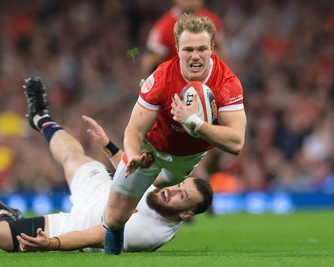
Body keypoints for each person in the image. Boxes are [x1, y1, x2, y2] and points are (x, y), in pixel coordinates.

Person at [0, 76, 214, 253]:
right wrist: (109, 145)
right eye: (179, 186)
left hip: (78, 226)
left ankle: (5, 214)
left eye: (181, 196)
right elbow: (133, 173)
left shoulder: (149, 233)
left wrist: (52, 243)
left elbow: (96, 235)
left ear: (186, 213)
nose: (172, 189)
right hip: (102, 191)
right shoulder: (164, 194)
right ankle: (41, 118)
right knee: (72, 156)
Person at [103, 14, 247, 255]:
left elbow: (236, 142)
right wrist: (131, 154)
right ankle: (112, 252)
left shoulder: (227, 83)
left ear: (212, 48)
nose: (195, 56)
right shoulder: (161, 78)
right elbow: (135, 129)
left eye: (202, 49)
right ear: (177, 49)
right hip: (150, 150)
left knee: (163, 188)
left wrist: (193, 122)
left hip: (187, 160)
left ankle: (150, 201)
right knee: (115, 218)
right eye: (188, 49)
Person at [141, 0, 228, 77]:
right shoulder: (163, 27)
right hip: (177, 86)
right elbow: (150, 63)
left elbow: (222, 53)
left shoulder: (212, 20)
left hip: (207, 83)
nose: (191, 2)